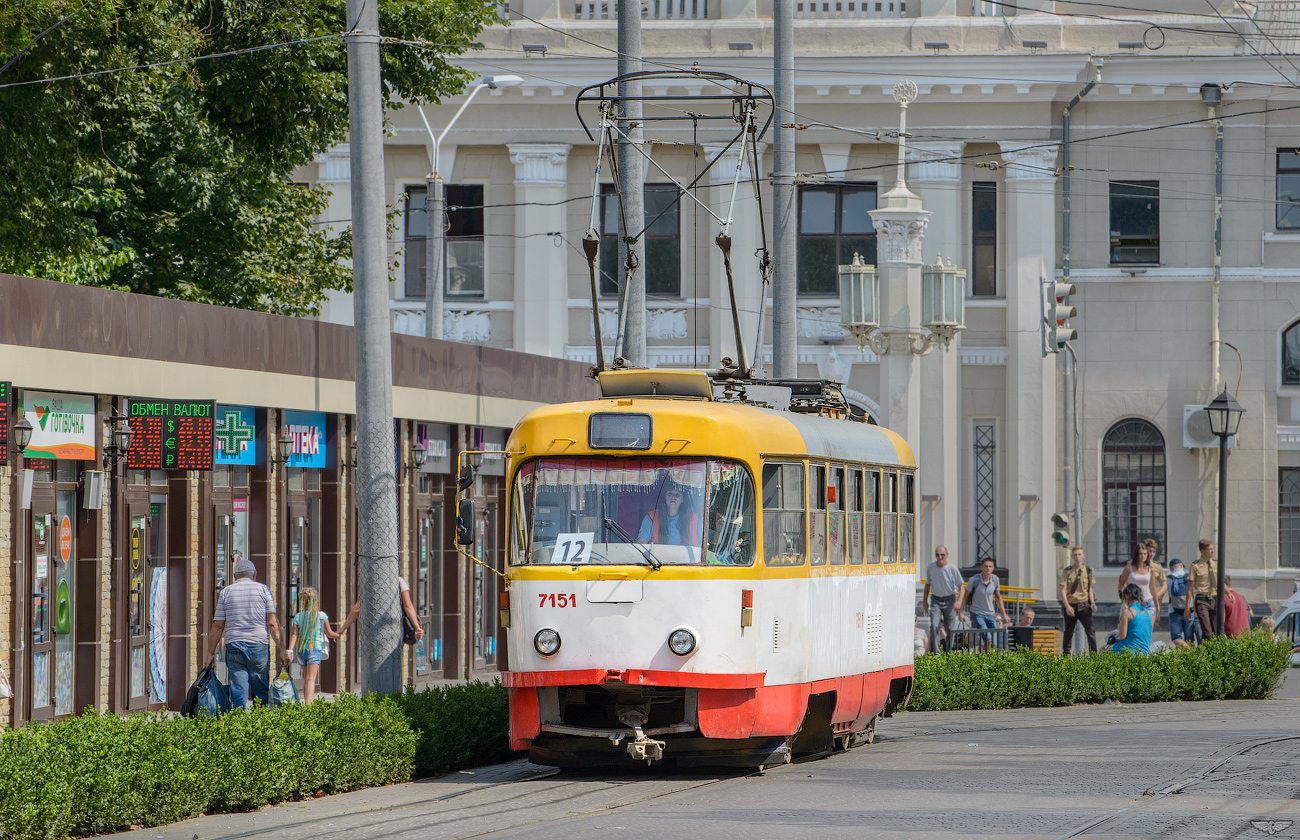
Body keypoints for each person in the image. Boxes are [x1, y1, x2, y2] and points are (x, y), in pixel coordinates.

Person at [204, 557, 279, 709]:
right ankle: (261, 727)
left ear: (234, 577)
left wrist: (210, 653)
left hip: (234, 645)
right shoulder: (264, 590)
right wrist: (283, 650)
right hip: (259, 645)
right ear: (254, 575)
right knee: (261, 694)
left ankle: (239, 727)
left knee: (238, 694)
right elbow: (272, 623)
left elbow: (218, 626)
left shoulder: (226, 592)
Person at [338, 561, 425, 643]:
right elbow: (408, 606)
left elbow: (357, 609)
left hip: (371, 629)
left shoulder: (371, 582)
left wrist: (343, 628)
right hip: (394, 630)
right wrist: (417, 627)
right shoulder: (398, 581)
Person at [282, 587, 340, 704]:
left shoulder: (298, 616)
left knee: (307, 679)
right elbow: (329, 633)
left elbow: (294, 634)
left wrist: (289, 651)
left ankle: (305, 703)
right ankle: (308, 707)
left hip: (301, 651)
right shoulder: (321, 616)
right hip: (314, 649)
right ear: (315, 600)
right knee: (311, 679)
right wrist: (338, 634)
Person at [922, 545, 964, 654]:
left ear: (947, 555)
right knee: (934, 625)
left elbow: (961, 587)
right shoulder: (931, 567)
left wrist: (959, 601)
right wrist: (925, 602)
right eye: (937, 555)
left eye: (942, 555)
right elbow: (927, 585)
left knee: (950, 628)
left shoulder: (952, 569)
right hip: (936, 599)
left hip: (950, 599)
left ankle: (948, 652)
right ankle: (937, 653)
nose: (940, 557)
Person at [957, 558, 1010, 642]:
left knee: (994, 641)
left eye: (990, 566)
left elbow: (998, 597)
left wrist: (1004, 614)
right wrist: (960, 612)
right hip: (977, 613)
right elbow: (965, 596)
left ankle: (984, 653)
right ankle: (984, 653)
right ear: (981, 567)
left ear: (993, 568)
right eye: (986, 566)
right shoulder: (974, 580)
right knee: (987, 638)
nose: (988, 568)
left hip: (990, 613)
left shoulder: (995, 580)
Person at [1060, 545, 1098, 654]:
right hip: (1071, 605)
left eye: (1079, 554)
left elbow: (1089, 588)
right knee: (1068, 632)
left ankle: (1094, 656)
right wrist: (1067, 606)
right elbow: (1063, 590)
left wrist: (1092, 603)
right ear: (1072, 556)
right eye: (1075, 555)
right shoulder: (1067, 571)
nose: (1077, 557)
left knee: (1090, 631)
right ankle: (1066, 656)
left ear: (1083, 556)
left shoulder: (1088, 570)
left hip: (1084, 605)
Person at [639, 482, 701, 546]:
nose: (673, 497)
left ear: (683, 499)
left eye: (677, 495)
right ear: (664, 497)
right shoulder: (652, 517)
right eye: (669, 494)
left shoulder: (695, 519)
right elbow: (642, 542)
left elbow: (704, 543)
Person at [1117, 543, 1158, 624]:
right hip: (1133, 603)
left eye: (1145, 554)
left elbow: (1153, 588)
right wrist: (1126, 594)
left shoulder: (1151, 570)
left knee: (1147, 631)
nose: (1142, 556)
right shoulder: (1129, 568)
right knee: (1134, 629)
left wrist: (1158, 606)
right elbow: (1121, 585)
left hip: (1148, 602)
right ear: (1136, 554)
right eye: (1140, 554)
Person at [1186, 539, 1218, 640]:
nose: (1212, 551)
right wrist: (1187, 608)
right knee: (1207, 631)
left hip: (1215, 599)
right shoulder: (1195, 566)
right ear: (1202, 551)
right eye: (1210, 549)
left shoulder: (1217, 564)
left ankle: (1211, 652)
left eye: (1213, 549)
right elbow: (1190, 588)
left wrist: (1229, 594)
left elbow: (1222, 582)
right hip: (1202, 599)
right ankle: (1207, 651)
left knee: (1217, 630)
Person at [1113, 582, 1152, 656]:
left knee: (1103, 649)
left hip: (1129, 650)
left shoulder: (1127, 612)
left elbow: (1122, 636)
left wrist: (1120, 626)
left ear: (1126, 596)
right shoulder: (1148, 613)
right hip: (1144, 652)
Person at [1165, 559, 1196, 645]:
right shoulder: (1188, 577)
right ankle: (1191, 655)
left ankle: (1187, 652)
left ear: (1171, 568)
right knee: (1190, 639)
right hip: (1189, 610)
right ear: (1181, 566)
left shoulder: (1168, 579)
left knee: (1176, 638)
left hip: (1173, 610)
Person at [1144, 538, 1168, 624]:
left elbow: (1164, 585)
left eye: (1153, 552)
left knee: (1149, 626)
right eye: (1149, 551)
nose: (1151, 554)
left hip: (1150, 601)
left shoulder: (1157, 566)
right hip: (1138, 600)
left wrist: (1155, 595)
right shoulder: (1134, 565)